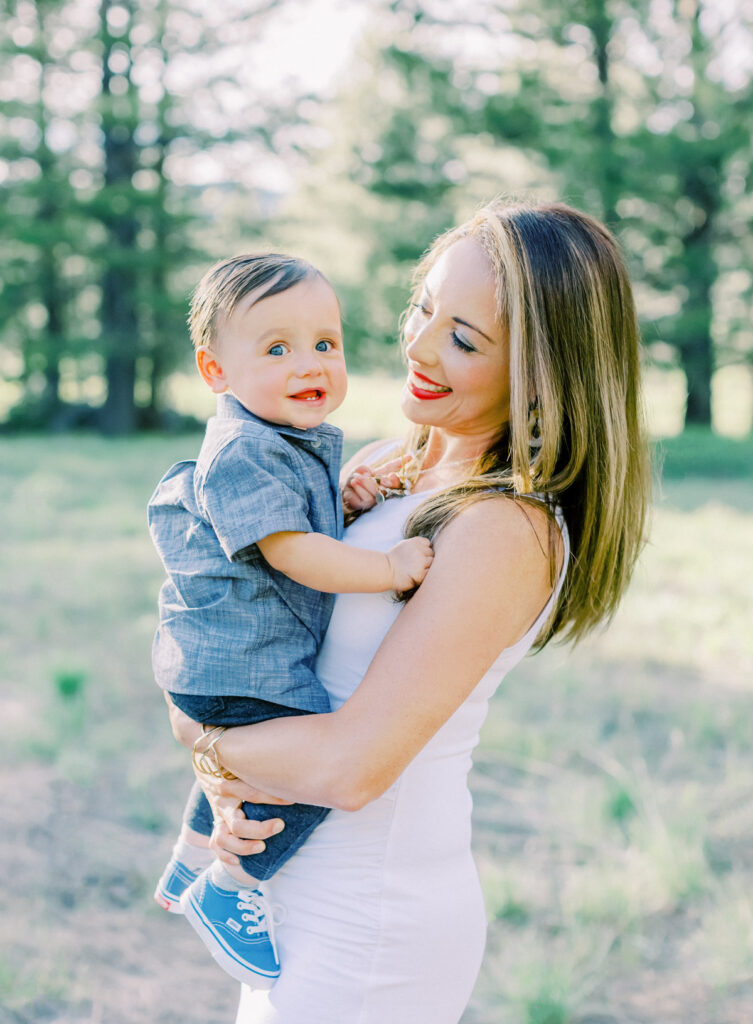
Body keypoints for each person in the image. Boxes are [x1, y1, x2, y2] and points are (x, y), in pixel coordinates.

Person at [166, 199, 651, 1024]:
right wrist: (226, 771)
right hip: (287, 886)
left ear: (539, 369)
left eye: (464, 339)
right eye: (423, 307)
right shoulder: (388, 464)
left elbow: (348, 768)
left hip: (372, 918)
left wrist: (203, 739)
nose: (420, 346)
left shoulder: (504, 526)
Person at [149, 253, 433, 987]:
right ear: (216, 372)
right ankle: (231, 888)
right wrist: (386, 567)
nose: (309, 363)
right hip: (248, 667)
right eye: (276, 349)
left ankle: (190, 856)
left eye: (324, 344)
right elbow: (292, 552)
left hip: (228, 663)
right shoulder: (244, 449)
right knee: (300, 775)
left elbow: (298, 520)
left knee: (247, 763)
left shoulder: (280, 439)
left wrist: (345, 499)